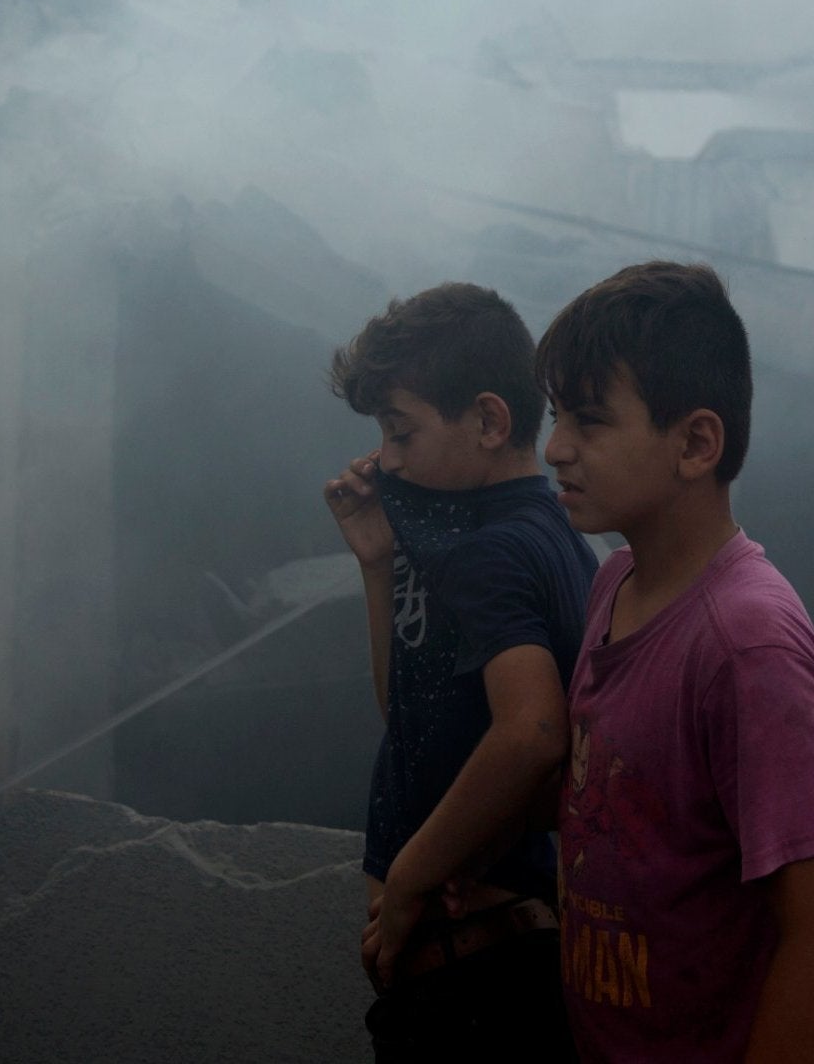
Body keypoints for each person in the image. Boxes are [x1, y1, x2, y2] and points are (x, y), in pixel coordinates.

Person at [537, 262, 814, 1062]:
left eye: (589, 421)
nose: (555, 450)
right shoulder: (614, 583)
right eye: (555, 416)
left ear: (694, 442)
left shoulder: (747, 646)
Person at [324, 283, 598, 1061]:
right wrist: (380, 565)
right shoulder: (525, 539)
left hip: (478, 981)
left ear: (487, 420)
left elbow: (534, 730)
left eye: (402, 431)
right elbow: (410, 713)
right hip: (481, 968)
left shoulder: (491, 554)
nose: (387, 458)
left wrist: (410, 879)